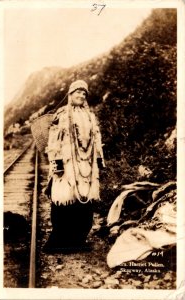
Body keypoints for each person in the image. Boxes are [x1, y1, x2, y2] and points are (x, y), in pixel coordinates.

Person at [43, 80, 105, 253]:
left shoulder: (90, 116)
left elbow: (97, 138)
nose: (81, 95)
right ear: (70, 94)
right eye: (77, 92)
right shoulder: (62, 114)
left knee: (85, 203)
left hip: (87, 166)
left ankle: (78, 240)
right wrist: (56, 163)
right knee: (64, 199)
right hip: (67, 165)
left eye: (84, 93)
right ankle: (60, 242)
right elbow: (53, 141)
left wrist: (99, 160)